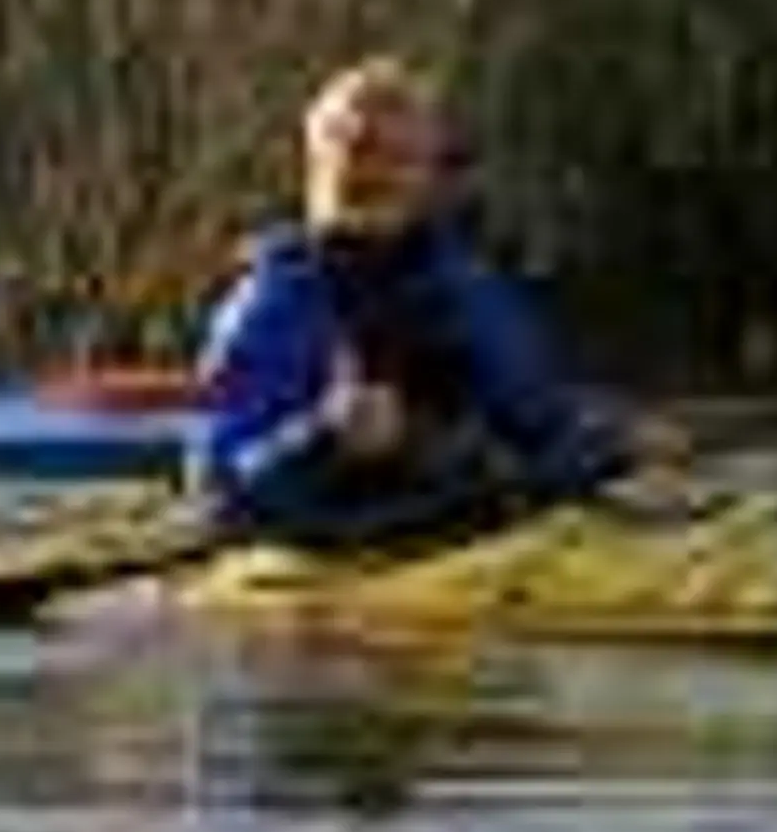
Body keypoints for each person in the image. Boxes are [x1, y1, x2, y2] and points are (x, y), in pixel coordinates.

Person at [192, 57, 632, 549]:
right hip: (338, 539)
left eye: (397, 157)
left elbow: (548, 425)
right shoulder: (270, 306)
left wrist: (606, 439)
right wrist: (323, 439)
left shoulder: (470, 288)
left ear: (427, 173)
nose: (373, 173)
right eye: (357, 149)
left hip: (467, 525)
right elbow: (219, 494)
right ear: (318, 167)